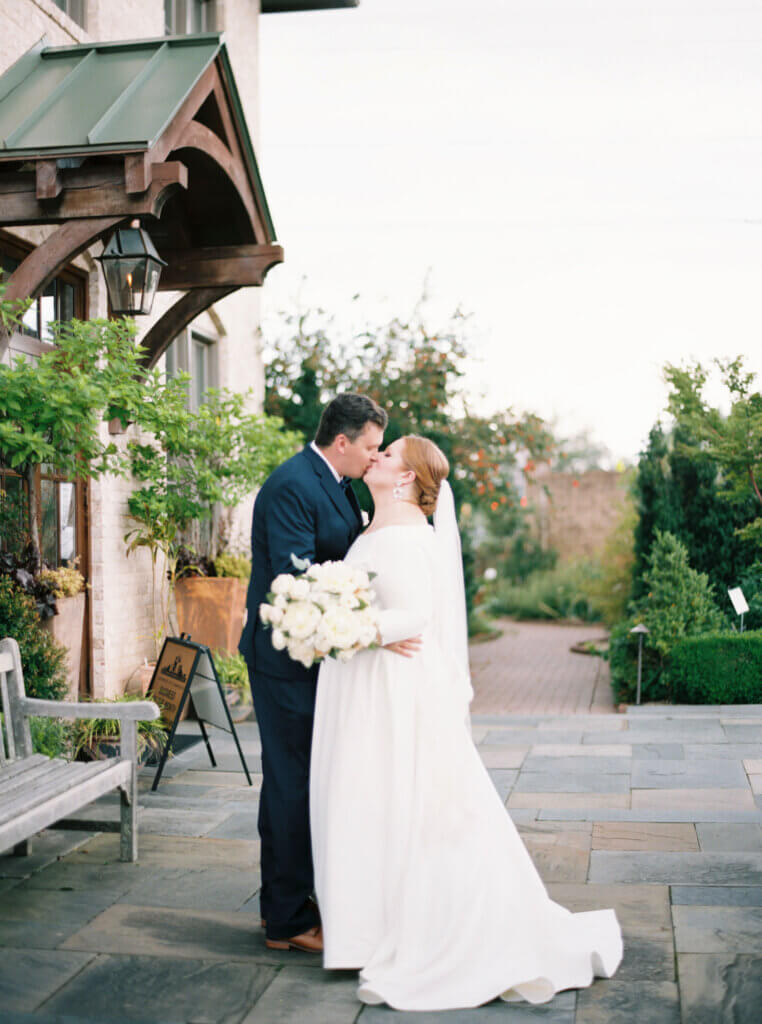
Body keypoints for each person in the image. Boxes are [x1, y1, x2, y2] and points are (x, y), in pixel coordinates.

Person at [310, 435, 623, 1010]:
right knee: (380, 798)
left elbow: (417, 615)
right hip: (370, 682)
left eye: (388, 454)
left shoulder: (405, 537)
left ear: (405, 478)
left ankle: (414, 924)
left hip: (395, 688)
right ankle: (373, 922)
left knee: (407, 800)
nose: (374, 457)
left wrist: (349, 629)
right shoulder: (378, 527)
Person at [238, 393, 417, 953]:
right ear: (341, 442)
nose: (373, 457)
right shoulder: (293, 484)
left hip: (319, 663)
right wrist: (371, 632)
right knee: (291, 785)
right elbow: (300, 586)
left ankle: (299, 897)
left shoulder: (336, 484)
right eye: (369, 447)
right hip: (287, 663)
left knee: (310, 781)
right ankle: (286, 919)